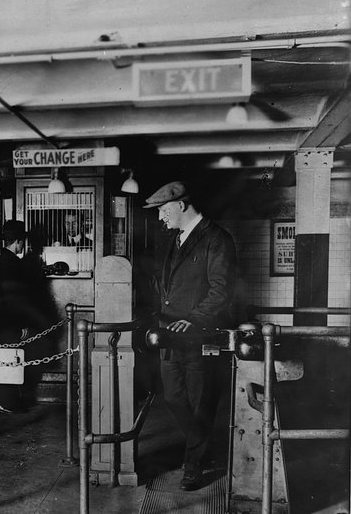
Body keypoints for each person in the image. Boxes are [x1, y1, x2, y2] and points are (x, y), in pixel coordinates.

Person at [143, 181, 236, 492]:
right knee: (172, 398)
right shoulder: (177, 239)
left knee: (200, 402)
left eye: (162, 210)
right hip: (170, 336)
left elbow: (220, 290)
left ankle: (194, 465)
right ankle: (204, 447)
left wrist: (193, 320)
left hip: (198, 337)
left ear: (181, 205)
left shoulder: (216, 239)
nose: (160, 218)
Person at [0, 219, 46, 414]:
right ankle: (8, 402)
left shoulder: (2, 260)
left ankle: (3, 401)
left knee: (4, 359)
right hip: (10, 322)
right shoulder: (12, 263)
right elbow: (15, 298)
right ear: (18, 242)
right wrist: (21, 324)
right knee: (11, 359)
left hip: (1, 321)